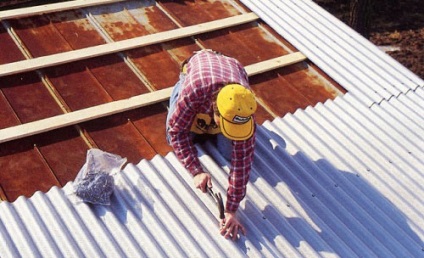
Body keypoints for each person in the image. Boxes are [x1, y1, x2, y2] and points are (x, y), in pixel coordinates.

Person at [166, 50, 257, 240]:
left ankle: (211, 127)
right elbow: (177, 132)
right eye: (225, 125)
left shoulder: (244, 105)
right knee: (174, 133)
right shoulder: (195, 92)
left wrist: (231, 209)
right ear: (215, 108)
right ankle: (177, 89)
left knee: (230, 152)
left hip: (233, 66)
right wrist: (196, 170)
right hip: (197, 67)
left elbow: (242, 162)